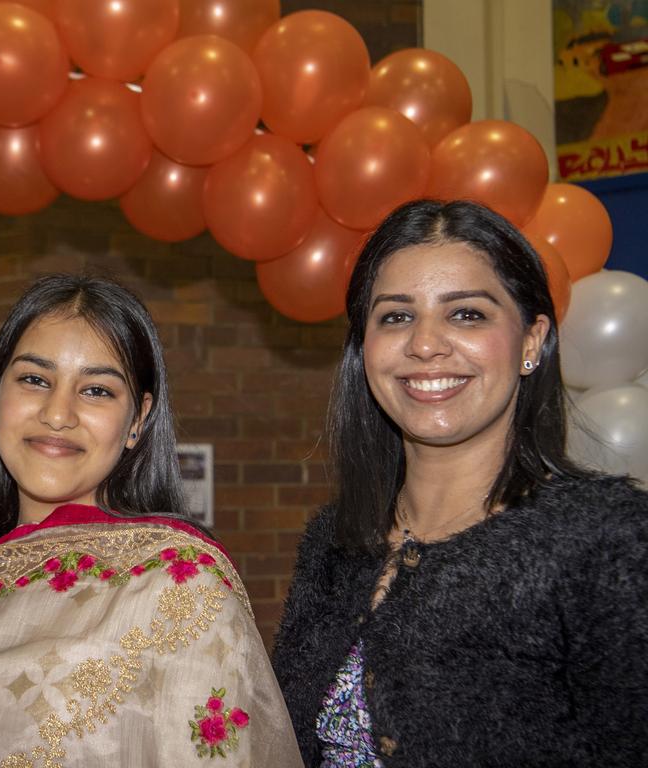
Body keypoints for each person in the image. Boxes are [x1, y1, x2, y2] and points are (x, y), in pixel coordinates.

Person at [271, 199, 648, 766]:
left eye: (466, 313)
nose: (425, 344)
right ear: (364, 349)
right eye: (396, 316)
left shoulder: (610, 540)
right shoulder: (334, 544)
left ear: (531, 340)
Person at [0, 275, 302, 767]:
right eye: (34, 379)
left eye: (96, 390)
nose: (58, 414)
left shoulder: (177, 586)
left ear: (138, 419)